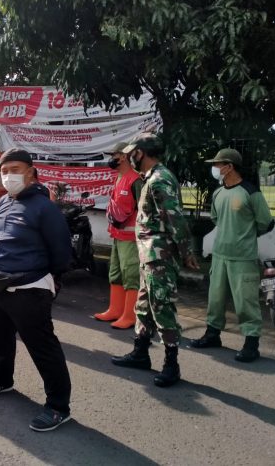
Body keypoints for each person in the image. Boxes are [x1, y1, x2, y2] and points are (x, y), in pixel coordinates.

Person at [0, 148, 73, 432]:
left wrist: (49, 280)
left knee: (42, 347)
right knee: (1, 339)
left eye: (15, 169)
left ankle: (58, 406)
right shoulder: (4, 201)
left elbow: (62, 253)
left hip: (29, 288)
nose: (8, 176)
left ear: (31, 171)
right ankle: (2, 380)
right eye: (4, 171)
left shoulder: (45, 208)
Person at [111, 133, 199, 387]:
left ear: (142, 152)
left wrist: (186, 253)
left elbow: (175, 219)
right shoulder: (150, 178)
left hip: (159, 255)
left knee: (161, 306)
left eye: (133, 153)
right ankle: (140, 353)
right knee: (144, 306)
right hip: (149, 254)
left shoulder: (159, 179)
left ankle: (172, 364)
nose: (130, 157)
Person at [191, 149, 274, 362]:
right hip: (220, 255)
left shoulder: (250, 192)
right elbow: (217, 219)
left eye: (218, 165)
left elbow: (267, 222)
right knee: (215, 299)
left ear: (229, 166)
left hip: (243, 257)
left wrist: (245, 235)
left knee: (246, 301)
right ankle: (212, 334)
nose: (215, 169)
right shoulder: (218, 193)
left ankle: (251, 343)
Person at [94, 142, 142, 328]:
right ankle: (115, 310)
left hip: (131, 238)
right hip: (117, 234)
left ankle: (129, 316)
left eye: (114, 155)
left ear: (123, 156)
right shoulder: (120, 177)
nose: (111, 159)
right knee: (115, 273)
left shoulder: (135, 179)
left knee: (130, 274)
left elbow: (143, 209)